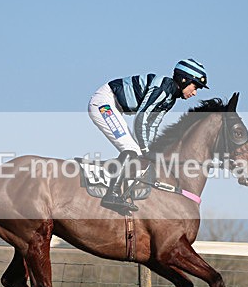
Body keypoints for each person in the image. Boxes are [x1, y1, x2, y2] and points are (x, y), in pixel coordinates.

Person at [87, 58, 209, 213]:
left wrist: (151, 150)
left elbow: (153, 125)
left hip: (114, 106)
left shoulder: (170, 98)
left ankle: (121, 191)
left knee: (137, 151)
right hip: (104, 103)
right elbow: (142, 118)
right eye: (195, 86)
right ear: (184, 79)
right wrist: (146, 149)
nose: (195, 92)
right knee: (132, 149)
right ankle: (112, 194)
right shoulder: (164, 88)